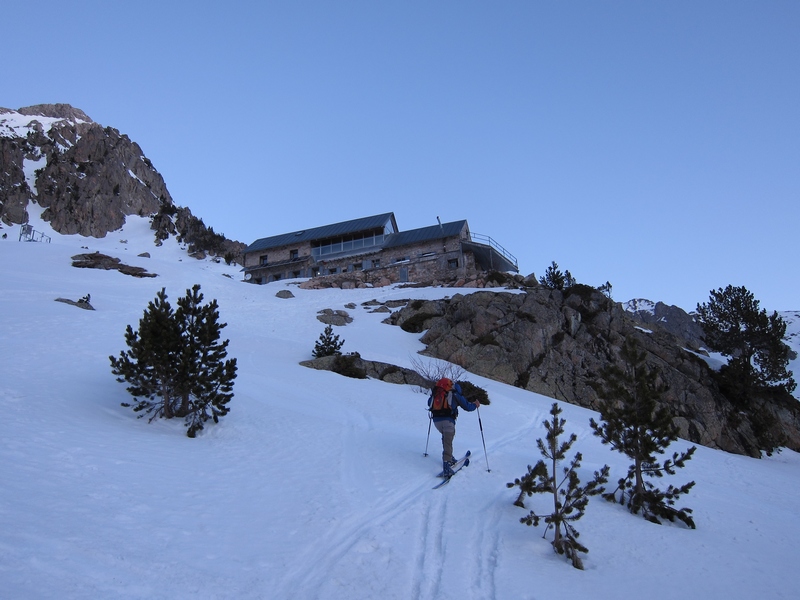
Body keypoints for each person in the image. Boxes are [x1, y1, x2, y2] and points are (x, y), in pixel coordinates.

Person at [428, 377, 479, 476]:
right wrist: (475, 405)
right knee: (448, 441)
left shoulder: (437, 393)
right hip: (448, 421)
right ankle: (447, 465)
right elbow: (467, 407)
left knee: (446, 438)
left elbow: (429, 403)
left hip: (436, 421)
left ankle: (450, 458)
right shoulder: (454, 394)